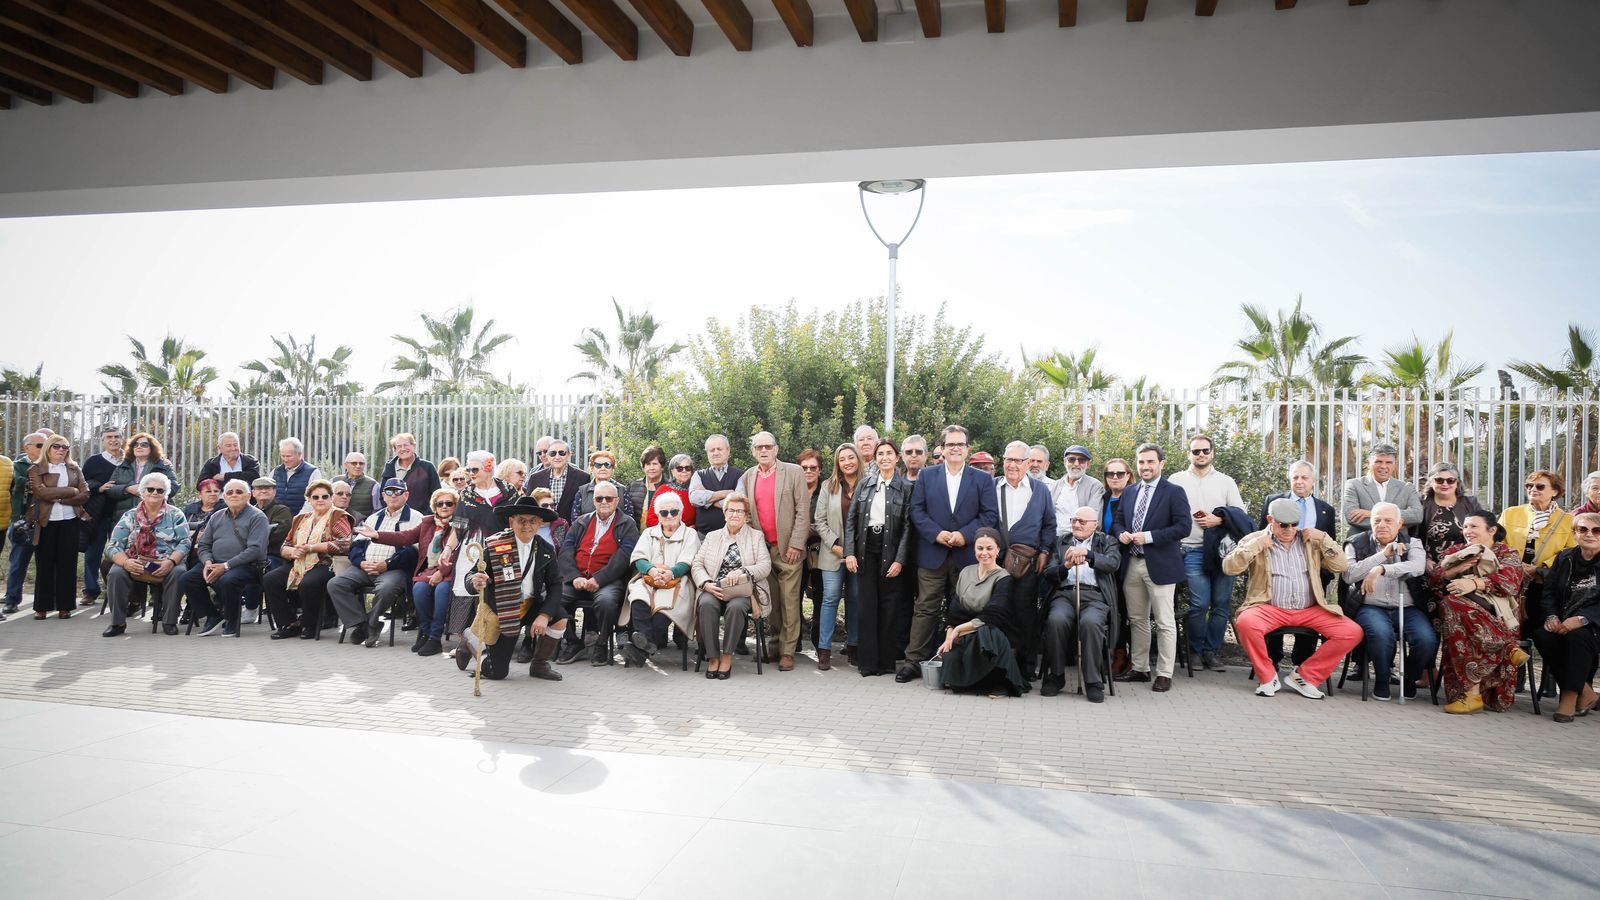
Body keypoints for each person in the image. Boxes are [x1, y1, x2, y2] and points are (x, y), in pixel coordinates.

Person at [1224, 498, 1358, 698]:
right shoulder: (1255, 539)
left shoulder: (1311, 541)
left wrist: (1324, 537)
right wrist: (1255, 546)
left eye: (1294, 524)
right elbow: (1229, 567)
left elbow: (1340, 566)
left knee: (1351, 631)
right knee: (1246, 622)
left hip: (1310, 609)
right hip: (1269, 607)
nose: (1289, 529)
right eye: (1283, 524)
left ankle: (1305, 676)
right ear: (1270, 519)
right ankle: (1268, 677)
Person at [901, 425, 999, 683]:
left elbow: (989, 515)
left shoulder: (982, 479)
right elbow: (917, 511)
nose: (955, 448)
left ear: (967, 449)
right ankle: (913, 661)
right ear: (942, 449)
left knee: (967, 610)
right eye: (950, 444)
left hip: (967, 557)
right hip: (933, 552)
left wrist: (964, 535)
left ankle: (965, 662)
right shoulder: (926, 476)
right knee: (925, 609)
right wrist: (937, 533)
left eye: (960, 444)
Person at [457, 496, 567, 682]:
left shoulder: (545, 548)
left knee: (560, 618)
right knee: (497, 672)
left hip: (531, 604)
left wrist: (544, 615)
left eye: (533, 521)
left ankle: (539, 665)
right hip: (503, 608)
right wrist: (475, 582)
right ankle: (470, 640)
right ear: (511, 521)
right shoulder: (494, 545)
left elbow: (555, 584)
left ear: (540, 523)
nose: (527, 526)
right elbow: (471, 576)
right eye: (521, 520)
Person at [1429, 511, 1526, 714]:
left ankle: (1471, 695)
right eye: (1465, 527)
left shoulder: (1507, 553)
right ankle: (1506, 648)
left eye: (1474, 526)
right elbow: (1435, 580)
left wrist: (1473, 583)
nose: (1467, 531)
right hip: (1462, 618)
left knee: (1451, 606)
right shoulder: (1457, 550)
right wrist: (1457, 570)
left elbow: (1510, 582)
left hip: (1496, 616)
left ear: (1492, 530)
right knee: (1452, 606)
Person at [1112, 443, 1190, 693]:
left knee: (1165, 622)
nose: (1145, 466)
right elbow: (1118, 522)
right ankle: (1140, 668)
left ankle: (1164, 673)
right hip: (1132, 564)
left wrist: (1149, 537)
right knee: (1137, 620)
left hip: (1160, 565)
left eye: (1150, 462)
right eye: (1141, 462)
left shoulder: (1174, 492)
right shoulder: (1130, 491)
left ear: (1161, 464)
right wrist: (1121, 533)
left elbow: (1183, 527)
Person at [1168, 433, 1246, 674]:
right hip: (1190, 549)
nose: (1200, 455)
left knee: (1221, 604)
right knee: (1199, 604)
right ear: (1188, 454)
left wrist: (1219, 519)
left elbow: (1240, 513)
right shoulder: (1176, 479)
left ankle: (1211, 651)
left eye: (1205, 451)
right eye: (1196, 451)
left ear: (1212, 453)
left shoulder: (1225, 481)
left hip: (1222, 552)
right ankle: (1195, 650)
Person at [1342, 502, 1435, 701]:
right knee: (1381, 635)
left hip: (1408, 608)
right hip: (1371, 606)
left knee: (1427, 640)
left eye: (1388, 520)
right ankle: (1382, 681)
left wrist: (1382, 570)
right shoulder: (1354, 543)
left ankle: (1409, 679)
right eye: (1377, 520)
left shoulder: (1413, 542)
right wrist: (1382, 556)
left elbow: (1417, 567)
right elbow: (1349, 575)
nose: (1382, 525)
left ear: (1400, 523)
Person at [735, 431, 811, 671]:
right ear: (754, 451)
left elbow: (802, 510)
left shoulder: (794, 472)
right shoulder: (748, 476)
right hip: (763, 550)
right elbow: (746, 514)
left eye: (768, 446)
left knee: (789, 600)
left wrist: (797, 543)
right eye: (759, 447)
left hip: (788, 548)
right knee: (771, 601)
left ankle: (788, 651)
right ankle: (775, 644)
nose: (764, 451)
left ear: (776, 449)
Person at [363, 487, 465, 656]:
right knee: (419, 589)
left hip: (450, 573)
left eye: (449, 503)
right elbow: (405, 537)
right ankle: (424, 633)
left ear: (456, 506)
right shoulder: (427, 523)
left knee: (441, 591)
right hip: (428, 572)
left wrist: (441, 571)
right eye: (440, 504)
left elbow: (458, 553)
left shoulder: (460, 525)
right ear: (435, 506)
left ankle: (435, 638)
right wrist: (377, 535)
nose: (444, 507)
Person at [1260, 459, 1339, 669]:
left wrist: (1325, 573)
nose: (1299, 482)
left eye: (1304, 477)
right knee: (1272, 613)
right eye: (1295, 477)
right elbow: (1261, 535)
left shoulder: (1326, 510)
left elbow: (1330, 545)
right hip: (1277, 572)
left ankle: (1302, 664)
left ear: (1314, 481)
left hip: (1312, 575)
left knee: (1311, 618)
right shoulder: (1273, 501)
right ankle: (1271, 661)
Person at [845, 439, 913, 677]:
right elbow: (851, 521)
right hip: (866, 549)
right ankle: (868, 663)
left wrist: (900, 559)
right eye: (880, 454)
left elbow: (907, 527)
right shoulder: (865, 485)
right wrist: (850, 552)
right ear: (875, 459)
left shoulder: (905, 488)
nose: (884, 457)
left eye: (889, 454)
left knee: (889, 606)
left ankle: (886, 662)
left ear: (897, 458)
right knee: (867, 606)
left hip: (891, 551)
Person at [936, 528, 1030, 696]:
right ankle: (974, 683)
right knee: (951, 657)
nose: (984, 553)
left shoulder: (1004, 577)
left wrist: (958, 629)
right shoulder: (966, 572)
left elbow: (994, 615)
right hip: (967, 629)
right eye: (980, 548)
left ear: (998, 550)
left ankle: (1000, 682)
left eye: (989, 548)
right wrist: (950, 632)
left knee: (988, 634)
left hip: (994, 630)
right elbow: (955, 610)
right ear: (974, 550)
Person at [555, 480, 640, 666]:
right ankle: (572, 641)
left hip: (608, 580)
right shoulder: (581, 522)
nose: (604, 502)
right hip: (577, 578)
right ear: (593, 501)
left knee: (607, 602)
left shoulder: (627, 524)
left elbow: (624, 557)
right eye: (599, 498)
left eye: (608, 498)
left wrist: (599, 579)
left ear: (617, 501)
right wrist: (574, 576)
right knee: (554, 598)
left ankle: (602, 643)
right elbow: (566, 551)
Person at [1040, 506, 1120, 702]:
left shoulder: (1107, 541)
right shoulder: (1061, 541)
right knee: (1056, 620)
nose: (1076, 524)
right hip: (1065, 594)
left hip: (1094, 596)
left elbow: (1112, 564)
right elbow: (1049, 573)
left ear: (1095, 525)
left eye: (1082, 521)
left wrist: (1088, 554)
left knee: (1091, 623)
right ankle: (1056, 676)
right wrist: (1065, 566)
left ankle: (1093, 681)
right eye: (1074, 520)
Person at [329, 478, 421, 647]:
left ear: (406, 495)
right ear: (383, 495)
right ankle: (362, 624)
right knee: (336, 584)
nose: (394, 495)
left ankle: (371, 623)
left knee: (386, 588)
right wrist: (361, 563)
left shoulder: (416, 518)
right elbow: (356, 547)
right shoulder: (373, 518)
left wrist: (387, 564)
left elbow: (413, 553)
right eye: (389, 492)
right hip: (365, 567)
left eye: (398, 491)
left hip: (394, 569)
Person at [691, 494, 771, 680]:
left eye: (739, 511)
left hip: (742, 590)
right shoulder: (712, 536)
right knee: (707, 605)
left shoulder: (756, 536)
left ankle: (727, 656)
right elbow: (697, 564)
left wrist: (744, 571)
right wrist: (706, 583)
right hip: (714, 588)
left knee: (736, 608)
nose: (735, 514)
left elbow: (765, 566)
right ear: (725, 514)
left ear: (746, 516)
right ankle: (712, 657)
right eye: (731, 510)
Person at [101, 472, 190, 637]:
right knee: (116, 572)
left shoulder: (175, 514)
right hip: (136, 561)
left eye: (160, 490)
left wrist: (171, 562)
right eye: (150, 489)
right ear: (143, 491)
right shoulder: (130, 516)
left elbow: (185, 542)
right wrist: (126, 562)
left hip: (166, 561)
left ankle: (169, 621)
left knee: (179, 572)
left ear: (166, 493)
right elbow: (113, 545)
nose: (155, 493)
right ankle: (117, 623)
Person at [262, 478, 351, 641]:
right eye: (315, 497)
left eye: (325, 496)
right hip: (299, 562)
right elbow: (285, 545)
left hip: (327, 564)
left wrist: (312, 547)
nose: (320, 500)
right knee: (270, 579)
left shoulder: (338, 516)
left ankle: (309, 625)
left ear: (331, 498)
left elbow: (344, 544)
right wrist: (291, 552)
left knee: (309, 583)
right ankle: (289, 624)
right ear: (308, 499)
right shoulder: (300, 519)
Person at [620, 491, 702, 666]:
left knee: (663, 610)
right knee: (638, 598)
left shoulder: (690, 534)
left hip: (678, 581)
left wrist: (670, 573)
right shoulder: (649, 533)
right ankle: (645, 647)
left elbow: (688, 561)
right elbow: (638, 558)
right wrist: (650, 570)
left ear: (681, 513)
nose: (669, 516)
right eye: (664, 513)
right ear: (658, 515)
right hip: (649, 579)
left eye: (674, 511)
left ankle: (639, 650)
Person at [997, 441, 1056, 679]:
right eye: (1008, 459)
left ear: (1027, 463)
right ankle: (999, 664)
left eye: (1018, 460)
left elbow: (1049, 524)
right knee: (997, 612)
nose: (1012, 465)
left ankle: (1026, 667)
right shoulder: (991, 486)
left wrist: (1044, 551)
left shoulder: (1040, 490)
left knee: (1025, 615)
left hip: (1028, 564)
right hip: (995, 563)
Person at [1533, 511, 1600, 723]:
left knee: (1577, 637)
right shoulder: (1565, 557)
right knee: (1543, 635)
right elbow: (1549, 592)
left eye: (1596, 530)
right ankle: (1586, 692)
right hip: (1563, 619)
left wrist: (1582, 619)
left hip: (1595, 624)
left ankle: (1569, 698)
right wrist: (1552, 616)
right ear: (1574, 533)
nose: (1589, 534)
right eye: (1583, 529)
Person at [181, 478, 269, 637]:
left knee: (228, 580)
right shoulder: (216, 516)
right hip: (214, 562)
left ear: (249, 496)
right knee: (188, 579)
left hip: (246, 565)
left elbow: (255, 550)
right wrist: (207, 562)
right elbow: (204, 545)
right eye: (230, 492)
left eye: (239, 492)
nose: (234, 495)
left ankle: (232, 619)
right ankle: (213, 615)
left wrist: (226, 566)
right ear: (225, 497)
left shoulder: (258, 517)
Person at [1499, 470, 1576, 637]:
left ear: (1555, 491)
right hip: (1513, 580)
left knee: (1542, 633)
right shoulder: (1510, 513)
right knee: (1512, 631)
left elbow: (1570, 551)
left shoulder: (1568, 520)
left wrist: (1542, 567)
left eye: (1540, 486)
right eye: (1529, 485)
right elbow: (1498, 543)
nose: (1533, 489)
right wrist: (1515, 564)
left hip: (1545, 582)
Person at [27, 434, 90, 619]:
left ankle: (65, 607)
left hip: (70, 520)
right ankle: (42, 607)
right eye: (57, 446)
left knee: (67, 564)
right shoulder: (36, 468)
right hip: (46, 522)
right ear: (48, 448)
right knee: (44, 564)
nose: (61, 450)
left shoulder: (73, 468)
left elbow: (85, 493)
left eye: (65, 447)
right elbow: (40, 493)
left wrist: (61, 498)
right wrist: (71, 491)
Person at [813, 443, 862, 671]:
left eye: (851, 458)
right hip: (832, 553)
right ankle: (824, 650)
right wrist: (836, 546)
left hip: (859, 555)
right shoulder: (828, 486)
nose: (847, 462)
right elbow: (819, 520)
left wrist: (854, 550)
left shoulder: (869, 484)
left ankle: (854, 647)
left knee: (855, 600)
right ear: (837, 463)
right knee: (830, 599)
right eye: (842, 459)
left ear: (858, 459)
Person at [78, 425, 124, 608]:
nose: (113, 440)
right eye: (109, 437)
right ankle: (90, 591)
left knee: (121, 554)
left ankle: (118, 592)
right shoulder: (93, 461)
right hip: (98, 515)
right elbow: (83, 483)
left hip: (121, 515)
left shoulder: (129, 460)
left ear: (122, 438)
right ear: (103, 440)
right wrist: (99, 487)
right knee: (93, 554)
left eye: (116, 436)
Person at [4, 433, 46, 615]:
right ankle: (12, 599)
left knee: (46, 563)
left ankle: (45, 601)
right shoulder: (16, 466)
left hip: (46, 519)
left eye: (46, 445)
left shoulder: (52, 464)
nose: (43, 449)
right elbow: (17, 484)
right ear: (26, 447)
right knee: (18, 562)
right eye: (39, 445)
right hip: (23, 520)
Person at [1341, 443, 1422, 535]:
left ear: (1394, 465)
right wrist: (1396, 522)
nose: (1383, 466)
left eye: (1388, 462)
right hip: (1360, 543)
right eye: (1378, 461)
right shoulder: (1354, 485)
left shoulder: (1406, 488)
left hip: (1397, 544)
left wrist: (1371, 514)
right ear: (1368, 463)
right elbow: (1351, 516)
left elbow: (1417, 515)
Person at [1099, 457, 1133, 674]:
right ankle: (1107, 653)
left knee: (1124, 608)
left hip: (1128, 560)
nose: (1115, 477)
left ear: (1129, 476)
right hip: (1105, 562)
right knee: (1108, 608)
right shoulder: (1102, 499)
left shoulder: (1134, 498)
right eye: (1110, 474)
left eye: (1120, 474)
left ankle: (1123, 654)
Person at [1418, 461, 1484, 567]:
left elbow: (1484, 530)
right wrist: (1423, 560)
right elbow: (1413, 537)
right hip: (1430, 566)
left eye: (1450, 480)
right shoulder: (1421, 504)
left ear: (1457, 482)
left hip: (1465, 563)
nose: (1445, 484)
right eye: (1439, 480)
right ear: (1431, 482)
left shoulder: (1471, 503)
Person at [108, 432, 181, 522]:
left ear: (152, 448)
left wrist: (149, 490)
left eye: (144, 445)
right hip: (125, 518)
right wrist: (127, 489)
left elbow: (173, 487)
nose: (139, 447)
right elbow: (110, 489)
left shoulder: (163, 465)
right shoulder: (123, 466)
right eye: (136, 445)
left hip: (156, 517)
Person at [688, 434, 742, 537]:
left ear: (728, 450)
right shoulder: (699, 475)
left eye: (719, 449)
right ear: (707, 453)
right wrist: (728, 493)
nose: (715, 453)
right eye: (712, 450)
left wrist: (706, 499)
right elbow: (694, 499)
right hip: (703, 537)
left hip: (733, 536)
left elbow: (738, 504)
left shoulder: (740, 475)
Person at [524, 438, 589, 522]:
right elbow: (529, 506)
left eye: (562, 453)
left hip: (571, 529)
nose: (557, 457)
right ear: (548, 456)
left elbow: (584, 508)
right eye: (553, 453)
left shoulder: (583, 478)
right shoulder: (535, 478)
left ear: (569, 455)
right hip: (542, 527)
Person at [379, 432, 439, 516]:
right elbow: (383, 495)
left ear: (414, 446)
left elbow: (437, 494)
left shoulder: (427, 467)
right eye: (399, 446)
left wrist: (427, 515)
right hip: (394, 518)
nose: (403, 449)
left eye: (406, 445)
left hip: (421, 518)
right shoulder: (390, 467)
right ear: (395, 450)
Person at [458, 450, 511, 536]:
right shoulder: (466, 494)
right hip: (474, 546)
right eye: (468, 470)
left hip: (504, 545)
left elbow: (518, 520)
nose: (471, 473)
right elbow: (458, 527)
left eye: (475, 470)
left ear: (489, 469)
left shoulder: (509, 490)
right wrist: (448, 548)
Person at [1051, 444, 1104, 530]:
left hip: (1079, 539)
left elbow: (1094, 519)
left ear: (1088, 464)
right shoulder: (1055, 486)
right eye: (1071, 460)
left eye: (1081, 460)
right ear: (1065, 462)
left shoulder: (1095, 486)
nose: (1076, 464)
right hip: (1054, 538)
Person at [180, 479, 223, 582]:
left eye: (216, 491)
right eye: (208, 491)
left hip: (210, 549)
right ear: (199, 494)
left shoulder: (224, 508)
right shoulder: (190, 509)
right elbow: (180, 527)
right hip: (187, 547)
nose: (213, 494)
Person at [575, 450, 635, 521]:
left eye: (607, 465)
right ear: (592, 468)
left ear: (613, 468)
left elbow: (629, 517)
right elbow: (576, 520)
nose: (603, 468)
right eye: (598, 465)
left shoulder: (622, 491)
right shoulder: (582, 491)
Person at [272, 437, 326, 514]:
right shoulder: (275, 471)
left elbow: (313, 498)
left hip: (302, 520)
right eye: (283, 456)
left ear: (299, 454)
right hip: (278, 519)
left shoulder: (313, 472)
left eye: (288, 456)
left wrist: (299, 518)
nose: (285, 460)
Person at [648, 453, 696, 529]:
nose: (684, 471)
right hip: (666, 535)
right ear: (672, 472)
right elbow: (650, 520)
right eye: (679, 468)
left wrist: (694, 528)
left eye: (687, 468)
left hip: (690, 535)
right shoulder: (663, 490)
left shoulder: (696, 491)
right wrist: (672, 528)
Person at [196, 432, 261, 487]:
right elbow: (202, 484)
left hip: (246, 501)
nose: (233, 448)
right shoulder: (212, 463)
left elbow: (253, 477)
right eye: (228, 446)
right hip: (219, 501)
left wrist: (225, 476)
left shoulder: (250, 461)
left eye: (235, 445)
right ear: (219, 448)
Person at [626, 445, 666, 527]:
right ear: (643, 467)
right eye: (648, 464)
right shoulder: (634, 486)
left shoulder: (669, 487)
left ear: (662, 466)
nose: (651, 468)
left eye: (655, 464)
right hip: (636, 535)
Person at [334, 451, 376, 521]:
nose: (358, 466)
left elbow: (377, 510)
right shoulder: (334, 481)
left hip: (361, 526)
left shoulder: (373, 485)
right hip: (336, 522)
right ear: (346, 465)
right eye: (354, 463)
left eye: (361, 463)